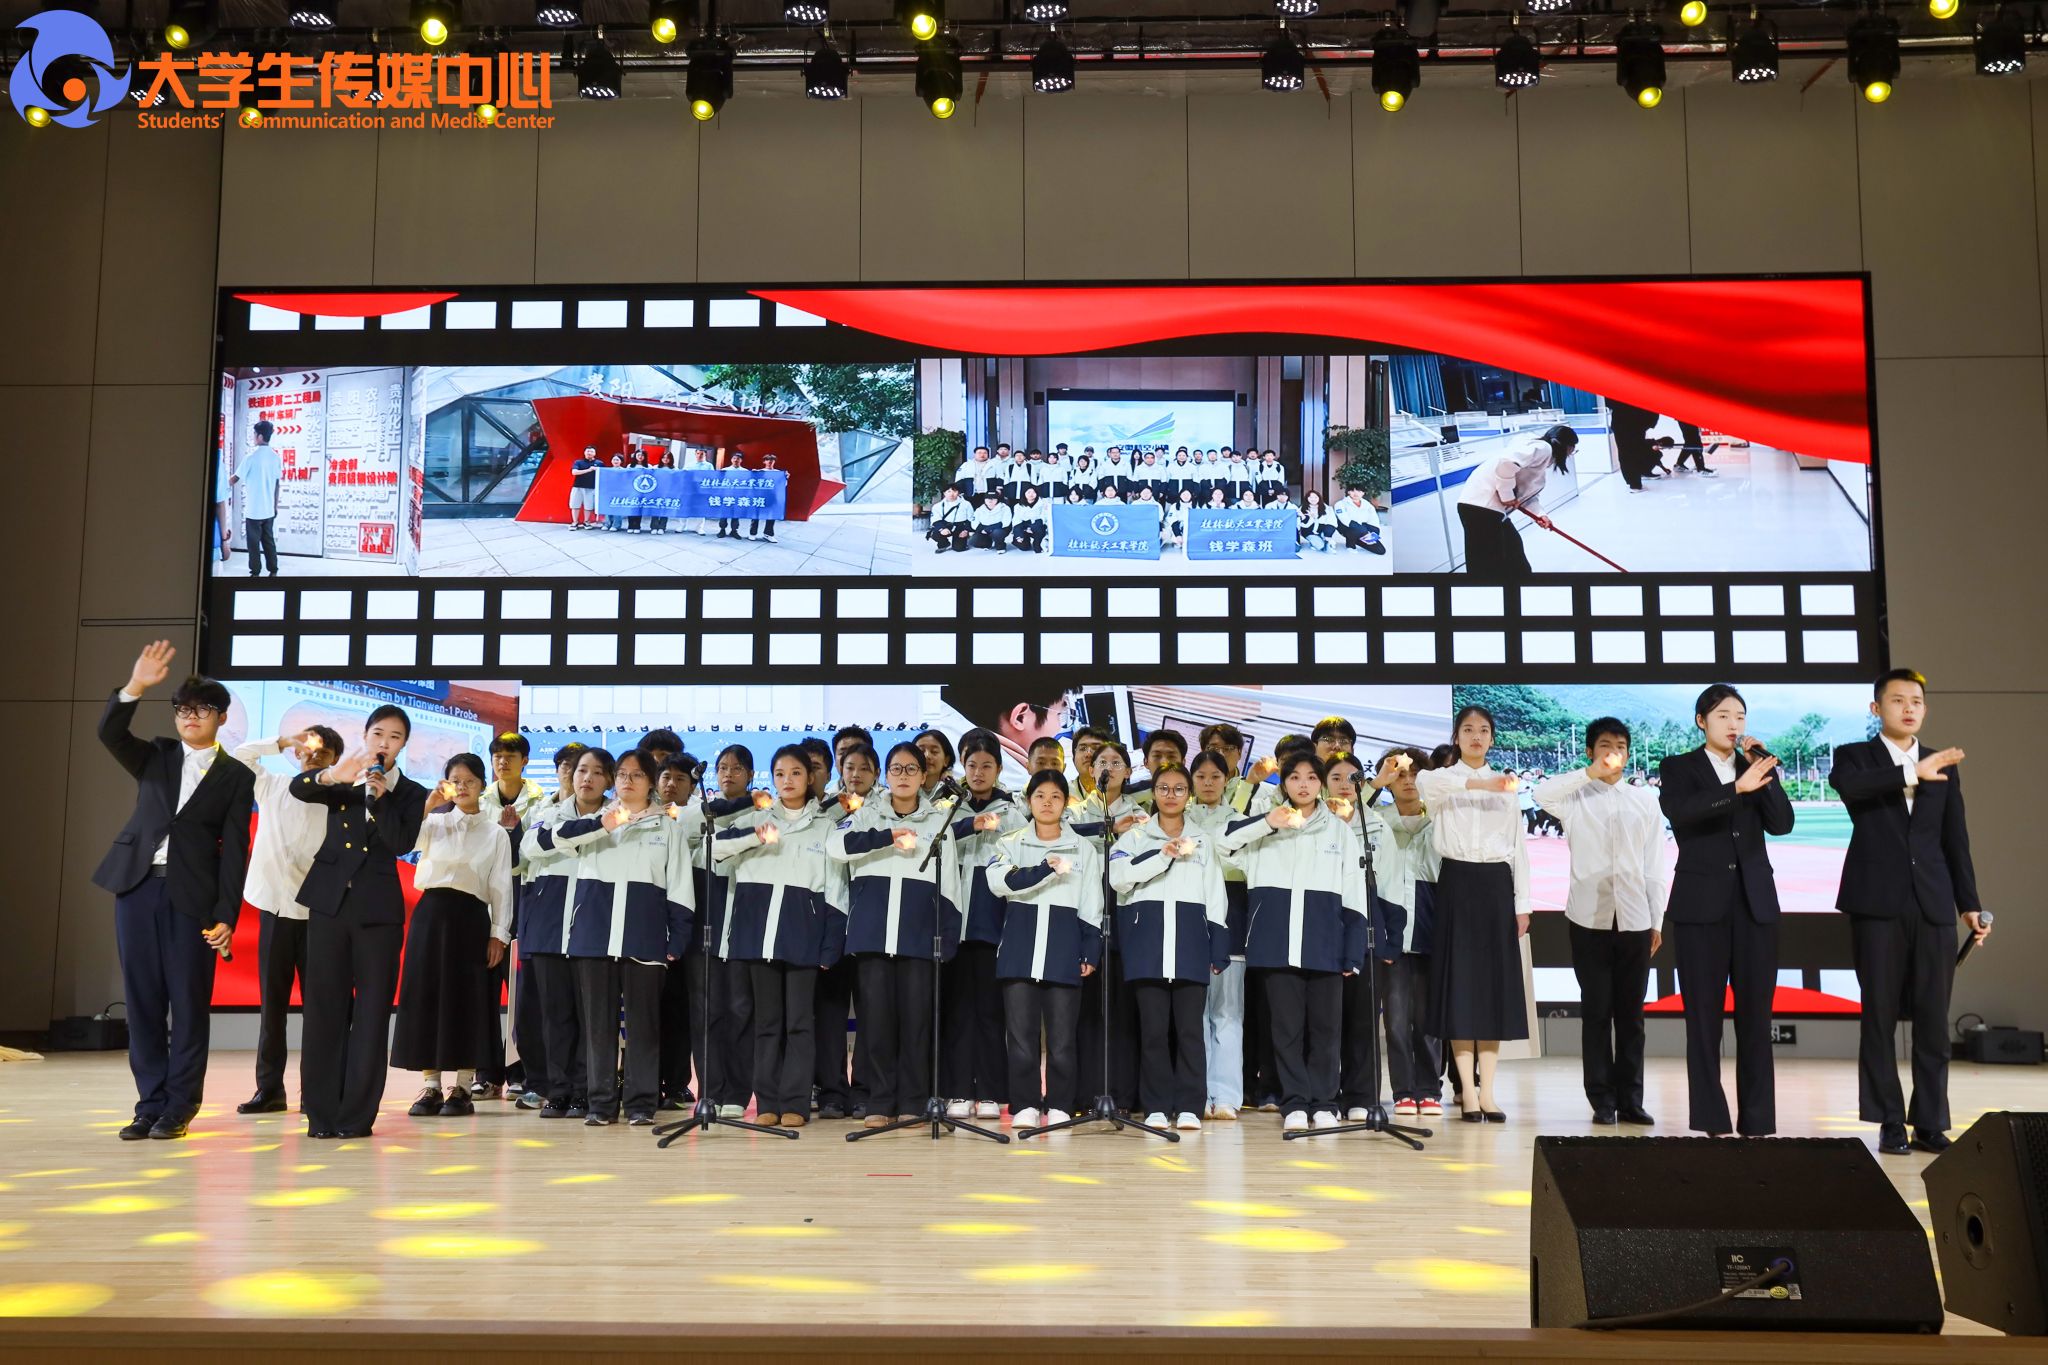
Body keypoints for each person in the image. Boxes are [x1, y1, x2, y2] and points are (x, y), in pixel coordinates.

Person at [94, 643, 255, 1141]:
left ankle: (180, 1107)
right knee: (142, 1002)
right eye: (183, 708)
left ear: (221, 718)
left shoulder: (236, 776)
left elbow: (235, 851)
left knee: (187, 1004)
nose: (190, 716)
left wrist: (226, 914)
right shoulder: (157, 755)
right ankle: (149, 1105)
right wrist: (136, 685)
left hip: (193, 900)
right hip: (137, 887)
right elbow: (110, 732)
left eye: (201, 709)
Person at [1829, 668, 1984, 1156]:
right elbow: (1852, 788)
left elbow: (1955, 840)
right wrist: (1909, 772)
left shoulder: (1943, 763)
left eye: (1916, 700)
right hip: (1877, 903)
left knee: (1934, 1019)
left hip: (1933, 903)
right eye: (1897, 700)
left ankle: (1931, 1122)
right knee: (1878, 1015)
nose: (1909, 708)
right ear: (1876, 709)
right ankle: (1890, 1121)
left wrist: (1969, 905)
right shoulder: (1854, 757)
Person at [1657, 684, 1795, 1137]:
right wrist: (1736, 788)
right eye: (1722, 715)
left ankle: (1757, 1121)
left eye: (1740, 716)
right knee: (1703, 1021)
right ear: (1702, 721)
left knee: (1756, 1019)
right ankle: (1711, 1120)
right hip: (1700, 908)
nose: (1733, 724)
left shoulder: (1754, 764)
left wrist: (1763, 772)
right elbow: (1682, 812)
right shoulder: (1679, 767)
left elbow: (1782, 823)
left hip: (1755, 907)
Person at [290, 703, 429, 1140]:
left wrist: (381, 798)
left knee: (371, 1014)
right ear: (365, 736)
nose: (384, 743)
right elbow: (300, 788)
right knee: (324, 1009)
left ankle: (356, 1117)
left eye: (394, 737)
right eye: (378, 734)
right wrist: (335, 774)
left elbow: (401, 841)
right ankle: (320, 1114)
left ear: (403, 746)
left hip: (378, 912)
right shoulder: (342, 778)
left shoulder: (411, 792)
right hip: (329, 904)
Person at [1220, 753, 1367, 1132]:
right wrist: (1267, 822)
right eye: (1295, 777)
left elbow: (1355, 894)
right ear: (1283, 783)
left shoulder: (1339, 831)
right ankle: (1296, 1102)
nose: (1303, 784)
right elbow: (1222, 844)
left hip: (1325, 944)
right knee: (1285, 1031)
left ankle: (1324, 1102)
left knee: (1326, 1030)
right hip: (1275, 945)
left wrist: (1353, 949)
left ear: (1321, 783)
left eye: (1311, 777)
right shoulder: (1266, 826)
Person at [1536, 719, 1666, 1127]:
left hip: (1635, 919)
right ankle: (1602, 1100)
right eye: (1605, 745)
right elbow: (1541, 793)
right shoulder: (1575, 798)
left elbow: (1655, 865)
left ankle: (1632, 1100)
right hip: (1588, 919)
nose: (1614, 752)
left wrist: (1656, 920)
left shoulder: (1644, 801)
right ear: (1591, 751)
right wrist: (1589, 773)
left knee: (1632, 1017)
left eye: (1621, 745)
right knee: (1595, 1013)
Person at [713, 745, 848, 1127]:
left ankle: (795, 1104)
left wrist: (831, 944)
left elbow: (836, 889)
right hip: (757, 935)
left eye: (795, 773)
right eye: (779, 774)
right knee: (766, 1024)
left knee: (800, 1024)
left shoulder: (825, 826)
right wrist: (753, 837)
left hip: (803, 936)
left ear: (810, 778)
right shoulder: (755, 818)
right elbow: (715, 850)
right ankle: (767, 1103)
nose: (787, 780)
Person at [561, 749, 694, 1126]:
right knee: (597, 1027)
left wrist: (676, 939)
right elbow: (558, 842)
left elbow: (680, 887)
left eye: (637, 775)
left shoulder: (668, 828)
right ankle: (601, 1103)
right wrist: (602, 825)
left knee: (644, 1026)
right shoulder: (594, 822)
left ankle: (640, 1103)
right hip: (594, 937)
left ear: (651, 782)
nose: (627, 781)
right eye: (621, 774)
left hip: (645, 938)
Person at [829, 742, 959, 1128]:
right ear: (886, 776)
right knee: (876, 1023)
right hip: (872, 935)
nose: (903, 776)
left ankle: (914, 1100)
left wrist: (948, 934)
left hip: (919, 937)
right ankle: (880, 1101)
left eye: (911, 769)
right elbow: (836, 847)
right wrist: (886, 836)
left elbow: (951, 884)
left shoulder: (938, 821)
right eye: (896, 769)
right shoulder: (866, 814)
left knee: (917, 1023)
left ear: (923, 775)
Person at [1415, 705, 1532, 1124]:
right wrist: (1481, 783)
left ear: (1493, 738)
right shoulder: (1441, 780)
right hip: (1458, 884)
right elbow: (1427, 782)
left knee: (1493, 990)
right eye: (1468, 729)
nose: (1476, 736)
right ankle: (1466, 1090)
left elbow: (1518, 848)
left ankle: (1488, 1092)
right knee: (1460, 988)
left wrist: (1522, 905)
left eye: (1483, 730)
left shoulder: (1508, 788)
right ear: (1457, 737)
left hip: (1497, 886)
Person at [393, 754, 517, 1119]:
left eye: (469, 781)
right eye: (455, 781)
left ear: (482, 785)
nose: (462, 787)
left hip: (471, 919)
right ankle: (431, 1086)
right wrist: (428, 804)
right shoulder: (433, 822)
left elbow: (501, 887)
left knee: (469, 1000)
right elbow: (402, 842)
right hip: (430, 916)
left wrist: (499, 935)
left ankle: (463, 1087)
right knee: (426, 996)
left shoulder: (495, 832)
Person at [229, 722, 343, 1115]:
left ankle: (316, 1092)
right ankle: (269, 1090)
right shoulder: (273, 785)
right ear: (297, 752)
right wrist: (281, 741)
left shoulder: (340, 800)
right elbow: (240, 756)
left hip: (319, 915)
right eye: (308, 748)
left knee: (319, 1010)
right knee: (272, 1007)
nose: (314, 756)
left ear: (335, 760)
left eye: (324, 753)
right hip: (275, 909)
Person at [1109, 761, 1229, 1132]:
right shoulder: (1133, 838)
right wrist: (1163, 855)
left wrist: (1218, 945)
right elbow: (1119, 879)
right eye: (1164, 788)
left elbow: (1216, 895)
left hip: (1191, 944)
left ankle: (1191, 1105)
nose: (1171, 795)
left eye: (1179, 788)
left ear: (1188, 794)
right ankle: (1156, 1106)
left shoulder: (1203, 840)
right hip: (1146, 945)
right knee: (1153, 1032)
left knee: (1191, 1031)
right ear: (1154, 792)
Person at [992, 770, 1104, 1131]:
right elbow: (998, 883)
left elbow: (1092, 904)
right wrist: (1044, 870)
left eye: (1056, 796)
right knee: (1021, 1038)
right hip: (1019, 948)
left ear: (1066, 803)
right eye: (1040, 795)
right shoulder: (1010, 842)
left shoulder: (1083, 848)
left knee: (1062, 1039)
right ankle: (1024, 1103)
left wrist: (1090, 950)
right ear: (1029, 801)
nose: (1047, 803)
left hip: (1063, 949)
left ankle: (1059, 1103)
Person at [517, 747, 607, 1117]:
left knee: (589, 1016)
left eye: (597, 772)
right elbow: (530, 847)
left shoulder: (618, 817)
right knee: (554, 1015)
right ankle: (558, 1090)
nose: (586, 778)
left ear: (609, 780)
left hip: (593, 926)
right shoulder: (546, 812)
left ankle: (586, 1090)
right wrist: (585, 832)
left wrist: (563, 838)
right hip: (549, 923)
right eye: (581, 770)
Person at [941, 730, 1021, 1120]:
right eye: (972, 765)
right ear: (962, 766)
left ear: (999, 769)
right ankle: (958, 1090)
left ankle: (990, 1092)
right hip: (953, 924)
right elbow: (933, 842)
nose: (978, 772)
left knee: (991, 1012)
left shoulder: (1012, 812)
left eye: (987, 765)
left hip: (992, 924)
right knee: (957, 1012)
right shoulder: (947, 808)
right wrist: (968, 825)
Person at [683, 744, 763, 1118]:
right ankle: (710, 1091)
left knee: (740, 1010)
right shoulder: (701, 811)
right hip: (706, 923)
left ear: (751, 775)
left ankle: (738, 1092)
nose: (728, 773)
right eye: (722, 768)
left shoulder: (763, 814)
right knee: (706, 1011)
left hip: (744, 925)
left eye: (737, 768)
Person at [1369, 747, 1442, 1119]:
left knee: (1429, 1019)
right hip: (1392, 933)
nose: (1409, 781)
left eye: (1415, 774)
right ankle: (1402, 1090)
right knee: (1395, 1019)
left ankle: (1429, 1089)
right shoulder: (1375, 820)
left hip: (1431, 928)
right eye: (1400, 775)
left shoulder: (1441, 820)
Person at [479, 732, 548, 1101]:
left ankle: (520, 1072)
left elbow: (532, 855)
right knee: (483, 992)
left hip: (523, 897)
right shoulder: (480, 800)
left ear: (525, 761)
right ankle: (485, 1073)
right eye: (497, 756)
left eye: (510, 755)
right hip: (485, 899)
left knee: (521, 994)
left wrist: (513, 831)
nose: (503, 762)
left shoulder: (541, 800)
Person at [1186, 750, 1252, 1119]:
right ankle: (1198, 1093)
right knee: (1193, 1015)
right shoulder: (1178, 820)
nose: (1208, 783)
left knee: (1227, 1013)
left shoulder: (1241, 823)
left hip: (1232, 921)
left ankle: (1226, 1096)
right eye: (1201, 776)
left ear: (1227, 780)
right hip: (1190, 922)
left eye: (1215, 776)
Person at [1456, 424, 1577, 578]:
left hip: (1490, 511)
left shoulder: (1539, 461)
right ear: (1566, 446)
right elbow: (1506, 464)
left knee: (1515, 557)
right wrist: (1507, 496)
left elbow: (1526, 497)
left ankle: (1519, 588)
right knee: (1487, 565)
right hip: (1480, 506)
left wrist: (1540, 515)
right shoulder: (1543, 448)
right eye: (1573, 450)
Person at [231, 419, 283, 577]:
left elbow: (235, 478)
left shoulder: (251, 457)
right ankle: (273, 570)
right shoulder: (275, 457)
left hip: (254, 510)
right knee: (269, 541)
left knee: (253, 544)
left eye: (254, 434)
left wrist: (222, 485)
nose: (253, 437)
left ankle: (255, 572)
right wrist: (275, 506)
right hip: (268, 509)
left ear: (260, 436)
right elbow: (277, 484)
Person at [928, 486, 972, 553]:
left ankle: (965, 540)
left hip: (960, 526)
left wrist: (966, 530)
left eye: (955, 491)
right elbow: (935, 520)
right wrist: (942, 529)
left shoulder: (966, 504)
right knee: (935, 533)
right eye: (949, 491)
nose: (952, 494)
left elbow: (971, 519)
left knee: (959, 548)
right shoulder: (938, 506)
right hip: (946, 525)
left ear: (958, 493)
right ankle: (944, 544)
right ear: (944, 493)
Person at [749, 451, 780, 542]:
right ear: (764, 461)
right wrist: (752, 475)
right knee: (756, 515)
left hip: (772, 496)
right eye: (768, 460)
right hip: (760, 496)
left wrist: (785, 477)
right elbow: (752, 484)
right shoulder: (759, 472)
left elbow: (782, 485)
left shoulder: (778, 473)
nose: (770, 461)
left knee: (771, 516)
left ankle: (768, 534)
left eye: (772, 460)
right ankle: (752, 533)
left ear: (774, 462)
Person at [569, 446, 602, 529]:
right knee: (575, 505)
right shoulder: (578, 462)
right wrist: (589, 470)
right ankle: (575, 522)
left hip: (591, 488)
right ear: (584, 453)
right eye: (587, 451)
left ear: (595, 453)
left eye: (591, 451)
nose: (589, 453)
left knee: (588, 506)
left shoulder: (599, 463)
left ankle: (586, 521)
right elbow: (574, 472)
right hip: (578, 487)